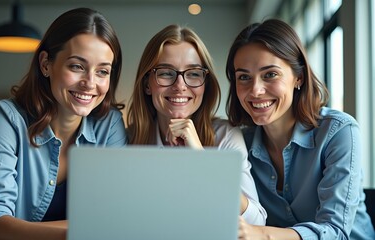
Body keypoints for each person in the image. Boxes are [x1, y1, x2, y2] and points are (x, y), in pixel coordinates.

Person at [0, 7, 127, 240]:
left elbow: (113, 218)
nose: (90, 83)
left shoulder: (110, 125)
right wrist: (84, 232)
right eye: (77, 66)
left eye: (102, 71)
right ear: (46, 64)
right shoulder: (6, 117)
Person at [226, 18, 375, 239]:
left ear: (299, 77)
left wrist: (261, 234)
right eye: (244, 77)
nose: (255, 90)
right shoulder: (240, 144)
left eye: (270, 74)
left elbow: (335, 231)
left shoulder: (339, 131)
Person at [127, 24, 267, 226]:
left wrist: (202, 160)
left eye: (193, 73)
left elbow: (257, 222)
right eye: (166, 73)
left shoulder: (225, 135)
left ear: (205, 84)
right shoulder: (127, 139)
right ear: (147, 83)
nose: (180, 86)